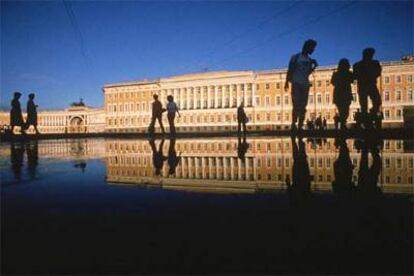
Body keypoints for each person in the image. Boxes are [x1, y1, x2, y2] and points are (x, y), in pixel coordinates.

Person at [285, 39, 318, 132]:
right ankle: (293, 124)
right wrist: (286, 82)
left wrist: (314, 67)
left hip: (305, 84)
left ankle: (300, 125)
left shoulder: (310, 60)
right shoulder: (295, 57)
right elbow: (290, 69)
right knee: (296, 105)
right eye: (312, 48)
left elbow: (307, 73)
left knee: (303, 106)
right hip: (296, 83)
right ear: (307, 47)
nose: (313, 50)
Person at [353, 48, 382, 128]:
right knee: (365, 105)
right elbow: (377, 72)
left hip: (367, 86)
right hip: (367, 86)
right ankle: (368, 119)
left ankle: (370, 115)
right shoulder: (373, 63)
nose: (371, 56)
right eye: (370, 54)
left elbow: (378, 72)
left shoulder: (358, 65)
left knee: (377, 102)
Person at [331, 58, 354, 130]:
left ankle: (342, 123)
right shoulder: (348, 73)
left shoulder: (337, 74)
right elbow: (352, 80)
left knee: (343, 110)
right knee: (345, 110)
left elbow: (333, 82)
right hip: (344, 93)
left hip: (339, 93)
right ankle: (342, 124)